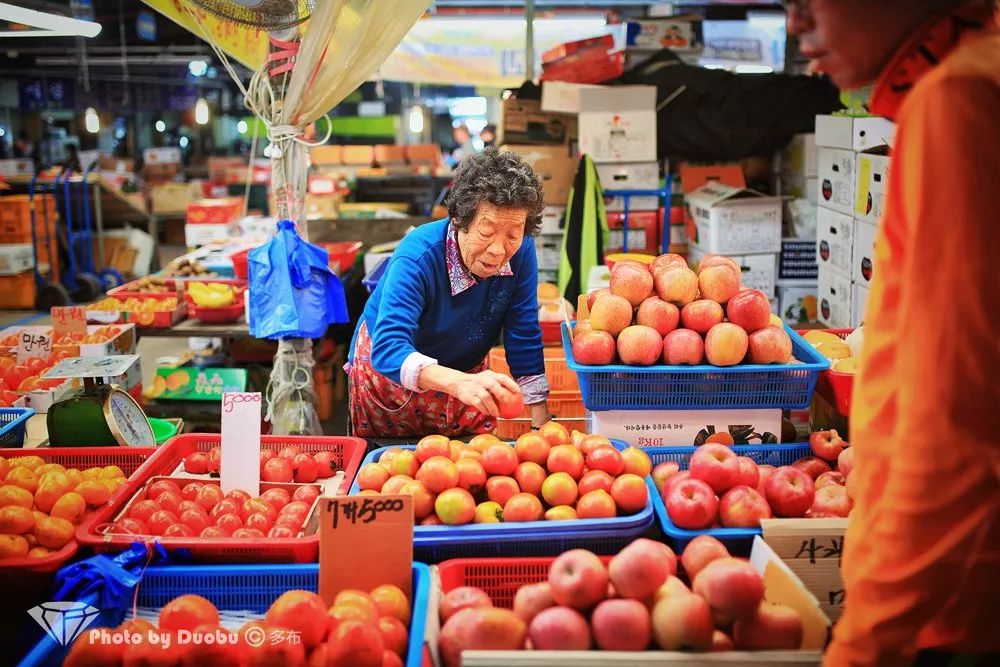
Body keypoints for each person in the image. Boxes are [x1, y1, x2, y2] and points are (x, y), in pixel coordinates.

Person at [785, 1, 1000, 665]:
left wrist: (869, 638)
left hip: (956, 608)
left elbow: (956, 424)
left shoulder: (959, 100)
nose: (794, 23)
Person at [346, 147, 551, 438]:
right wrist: (457, 382)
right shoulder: (417, 255)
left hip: (466, 373)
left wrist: (541, 421)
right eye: (486, 232)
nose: (498, 249)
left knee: (470, 461)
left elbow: (523, 330)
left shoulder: (522, 251)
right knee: (393, 459)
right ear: (460, 219)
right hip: (395, 377)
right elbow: (389, 347)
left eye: (513, 235)